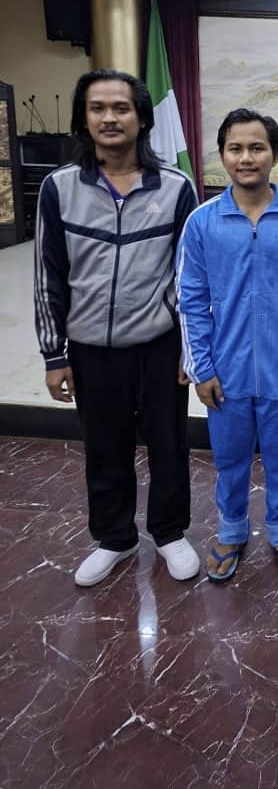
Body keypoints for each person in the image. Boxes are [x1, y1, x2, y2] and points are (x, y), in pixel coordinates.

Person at [34, 69, 200, 587]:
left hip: (159, 344)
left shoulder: (175, 187)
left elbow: (190, 277)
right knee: (104, 448)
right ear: (83, 119)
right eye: (98, 108)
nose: (110, 118)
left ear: (142, 118)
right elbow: (48, 273)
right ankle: (115, 538)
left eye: (121, 108)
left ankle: (169, 533)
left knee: (168, 444)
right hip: (90, 348)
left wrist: (190, 348)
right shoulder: (59, 187)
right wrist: (54, 354)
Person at [176, 108, 278, 582]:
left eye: (257, 148)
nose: (246, 158)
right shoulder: (203, 222)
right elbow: (190, 300)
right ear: (222, 155)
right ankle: (232, 529)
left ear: (275, 154)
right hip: (226, 370)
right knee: (230, 460)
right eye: (235, 148)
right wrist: (201, 367)